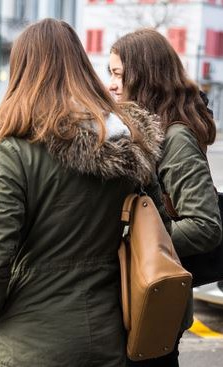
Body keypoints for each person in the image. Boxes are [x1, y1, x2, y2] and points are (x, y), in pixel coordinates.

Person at [0, 19, 164, 367]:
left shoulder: (14, 150)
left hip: (31, 341)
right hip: (107, 333)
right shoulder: (124, 141)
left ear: (22, 72)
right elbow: (152, 221)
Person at [109, 28, 222, 367]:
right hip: (144, 294)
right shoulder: (146, 132)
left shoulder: (175, 138)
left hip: (155, 296)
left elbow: (205, 225)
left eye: (117, 74)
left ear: (143, 76)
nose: (111, 84)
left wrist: (142, 247)